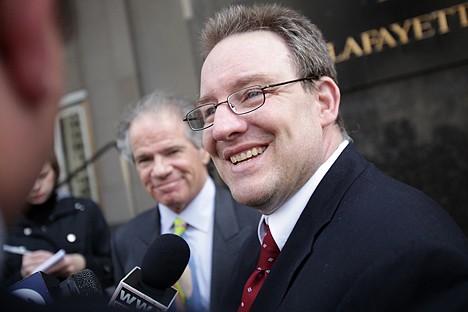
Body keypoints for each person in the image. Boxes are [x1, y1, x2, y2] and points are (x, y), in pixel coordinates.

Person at [183, 3, 468, 311]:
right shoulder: (260, 245)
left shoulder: (405, 256)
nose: (223, 127)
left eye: (252, 93)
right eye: (210, 110)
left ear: (323, 101)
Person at [112, 90, 260, 312]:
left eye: (172, 152)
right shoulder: (125, 240)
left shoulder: (257, 220)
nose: (160, 170)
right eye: (145, 159)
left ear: (202, 151)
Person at [1, 153, 114, 288]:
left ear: (55, 170)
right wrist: (22, 276)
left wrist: (84, 264)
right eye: (25, 181)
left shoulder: (85, 211)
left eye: (42, 176)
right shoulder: (6, 227)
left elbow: (115, 268)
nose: (36, 187)